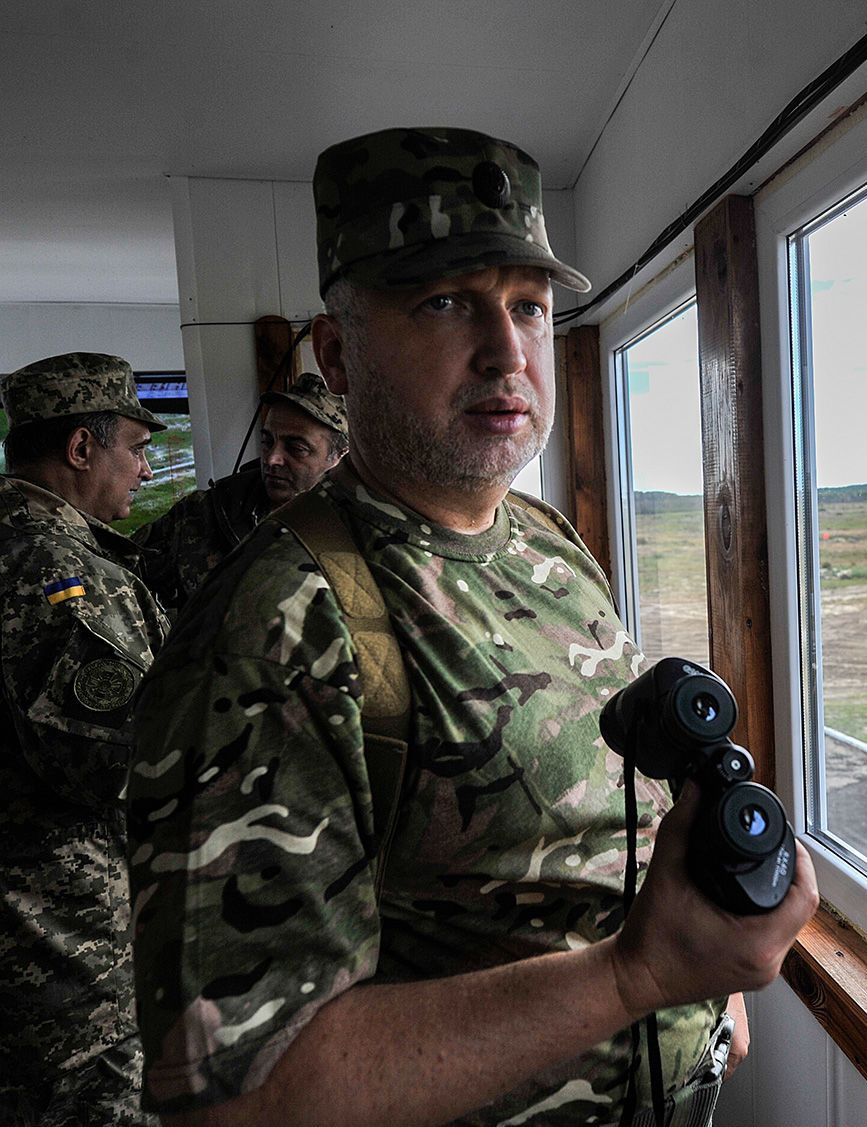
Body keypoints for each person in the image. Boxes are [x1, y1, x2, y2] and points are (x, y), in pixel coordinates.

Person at [126, 127, 819, 1126]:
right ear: (338, 353)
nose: (507, 352)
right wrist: (637, 976)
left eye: (528, 305)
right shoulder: (277, 626)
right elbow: (241, 1098)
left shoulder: (544, 538)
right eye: (445, 302)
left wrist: (708, 990)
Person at [0, 352, 171, 1125]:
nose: (146, 468)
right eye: (135, 448)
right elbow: (114, 761)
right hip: (62, 939)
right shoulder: (61, 574)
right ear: (80, 448)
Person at [134, 371, 348, 616]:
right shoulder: (200, 514)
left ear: (338, 457)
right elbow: (122, 577)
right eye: (267, 442)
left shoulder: (361, 529)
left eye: (296, 448)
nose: (272, 459)